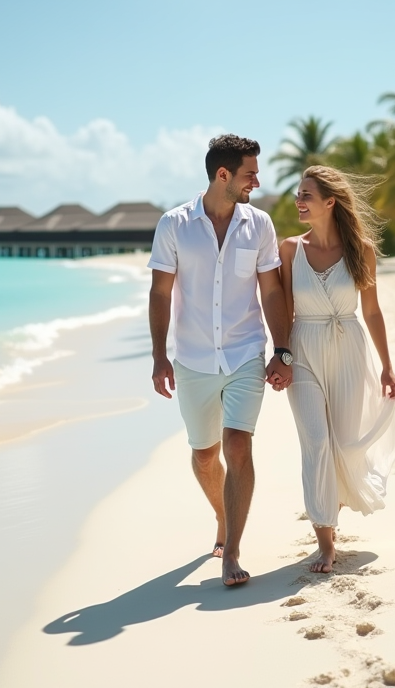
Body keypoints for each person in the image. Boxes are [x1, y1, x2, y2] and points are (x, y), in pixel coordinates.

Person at [148, 134, 293, 587]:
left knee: (237, 445)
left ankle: (232, 552)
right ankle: (222, 517)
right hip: (191, 358)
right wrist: (159, 356)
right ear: (223, 175)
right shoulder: (174, 224)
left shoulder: (260, 225)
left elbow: (271, 290)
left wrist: (281, 349)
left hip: (245, 351)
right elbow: (160, 292)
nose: (257, 180)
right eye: (250, 173)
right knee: (206, 455)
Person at [279, 165, 395, 574]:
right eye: (299, 194)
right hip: (304, 349)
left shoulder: (361, 249)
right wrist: (280, 354)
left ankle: (339, 492)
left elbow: (372, 310)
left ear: (330, 202)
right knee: (316, 442)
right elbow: (282, 309)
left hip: (349, 348)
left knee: (346, 444)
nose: (298, 201)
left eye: (306, 195)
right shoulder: (289, 250)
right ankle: (326, 541)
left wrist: (387, 366)